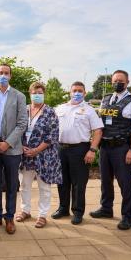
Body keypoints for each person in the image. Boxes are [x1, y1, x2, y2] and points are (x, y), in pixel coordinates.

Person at [90, 70, 131, 230]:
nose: (117, 83)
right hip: (106, 147)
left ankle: (128, 217)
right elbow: (100, 124)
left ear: (127, 82)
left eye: (120, 81)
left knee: (125, 184)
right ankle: (106, 209)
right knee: (105, 181)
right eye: (115, 81)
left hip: (122, 148)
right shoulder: (106, 99)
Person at [53, 81, 103, 225]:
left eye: (80, 90)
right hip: (61, 148)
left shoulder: (89, 110)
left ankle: (77, 212)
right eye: (74, 90)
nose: (77, 93)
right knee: (62, 181)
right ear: (70, 91)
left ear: (85, 93)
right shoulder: (60, 108)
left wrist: (92, 150)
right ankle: (63, 208)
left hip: (80, 149)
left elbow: (98, 131)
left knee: (79, 183)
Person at [0, 64, 28, 234]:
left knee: (11, 185)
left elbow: (22, 123)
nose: (3, 75)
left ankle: (9, 217)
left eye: (6, 73)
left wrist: (7, 143)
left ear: (10, 76)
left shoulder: (19, 96)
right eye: (0, 73)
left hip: (12, 149)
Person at [15, 82, 62, 228]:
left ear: (44, 94)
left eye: (40, 92)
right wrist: (21, 145)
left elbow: (52, 135)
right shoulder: (24, 110)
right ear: (30, 94)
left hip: (45, 156)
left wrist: (36, 150)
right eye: (35, 92)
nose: (37, 95)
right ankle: (25, 211)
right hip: (25, 155)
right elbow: (18, 128)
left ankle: (42, 215)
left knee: (44, 187)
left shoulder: (50, 112)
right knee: (25, 185)